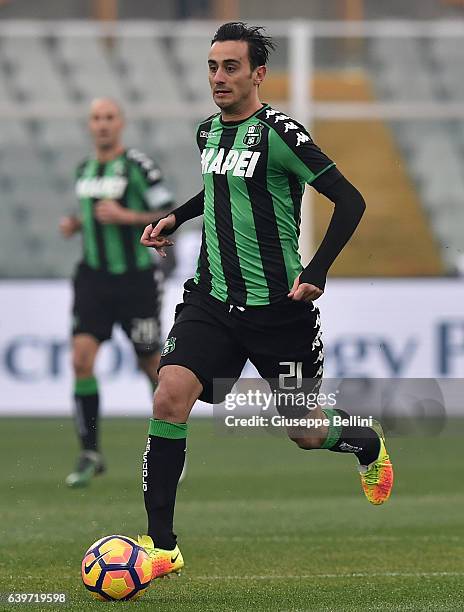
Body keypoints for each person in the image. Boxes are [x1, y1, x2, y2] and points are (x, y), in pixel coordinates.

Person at [138, 22, 394, 578]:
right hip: (211, 298)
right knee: (169, 396)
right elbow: (218, 188)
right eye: (212, 67)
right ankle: (162, 547)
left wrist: (318, 270)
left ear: (258, 73)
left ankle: (364, 441)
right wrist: (175, 219)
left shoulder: (280, 132)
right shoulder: (208, 132)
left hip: (279, 311)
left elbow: (349, 200)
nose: (218, 78)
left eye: (230, 67)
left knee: (303, 430)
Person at [60, 98, 175, 487]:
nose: (102, 124)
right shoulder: (84, 170)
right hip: (93, 279)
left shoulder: (138, 165)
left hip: (136, 280)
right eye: (96, 118)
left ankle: (169, 445)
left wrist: (128, 217)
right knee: (81, 360)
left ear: (120, 123)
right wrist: (77, 224)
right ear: (90, 125)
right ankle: (90, 453)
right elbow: (94, 217)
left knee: (150, 364)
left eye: (109, 117)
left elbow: (168, 212)